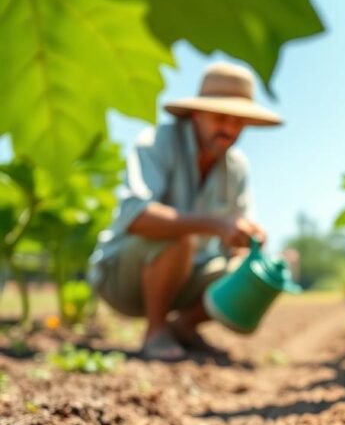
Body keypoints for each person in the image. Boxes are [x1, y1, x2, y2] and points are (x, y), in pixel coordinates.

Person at [88, 62, 281, 361]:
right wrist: (215, 224)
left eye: (238, 121)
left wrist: (247, 240)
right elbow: (136, 217)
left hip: (186, 276)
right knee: (180, 236)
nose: (228, 129)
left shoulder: (237, 167)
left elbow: (237, 238)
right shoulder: (156, 142)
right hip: (121, 278)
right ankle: (155, 331)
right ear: (196, 113)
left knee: (244, 270)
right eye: (220, 117)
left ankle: (183, 328)